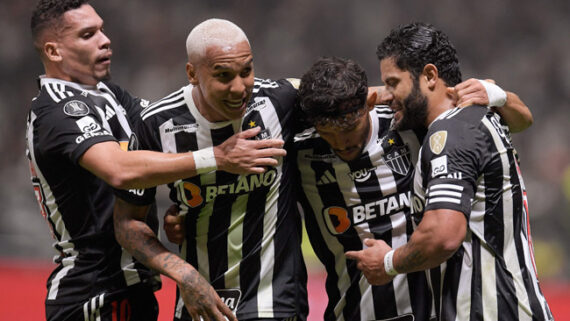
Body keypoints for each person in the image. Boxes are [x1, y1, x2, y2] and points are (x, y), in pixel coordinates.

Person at [27, 1, 284, 320]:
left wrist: (191, 204)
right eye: (88, 34)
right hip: (93, 294)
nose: (105, 39)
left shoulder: (108, 95)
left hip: (130, 290)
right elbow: (120, 171)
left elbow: (169, 129)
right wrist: (217, 157)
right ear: (53, 51)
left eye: (102, 29)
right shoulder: (58, 112)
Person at [295, 56, 533, 321]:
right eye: (328, 133)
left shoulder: (408, 124)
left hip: (432, 310)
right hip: (353, 311)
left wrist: (499, 95)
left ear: (369, 104)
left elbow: (520, 120)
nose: (341, 142)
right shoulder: (300, 152)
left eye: (350, 127)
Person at [345, 22, 553, 321]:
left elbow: (444, 235)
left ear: (430, 76)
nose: (388, 95)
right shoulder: (481, 113)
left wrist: (388, 262)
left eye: (393, 83)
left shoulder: (449, 134)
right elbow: (524, 119)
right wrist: (500, 94)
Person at [115, 18, 308, 321]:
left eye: (246, 71)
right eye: (223, 76)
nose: (239, 87)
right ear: (192, 73)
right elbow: (127, 224)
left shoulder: (280, 100)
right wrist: (185, 276)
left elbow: (348, 98)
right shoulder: (156, 125)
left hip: (274, 302)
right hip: (198, 303)